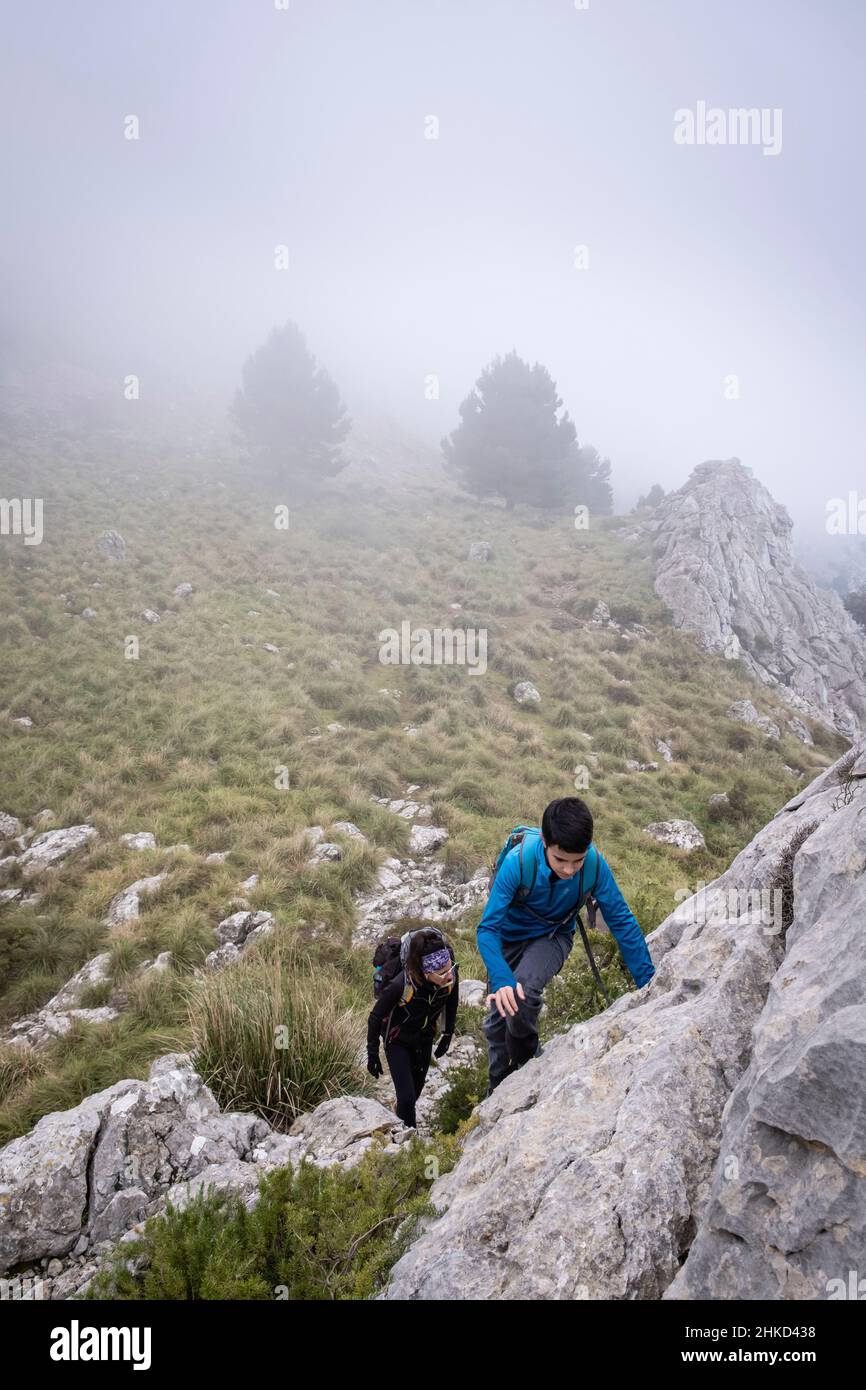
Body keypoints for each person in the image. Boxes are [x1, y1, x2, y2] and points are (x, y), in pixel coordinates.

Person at [477, 796, 655, 1095]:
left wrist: (648, 983)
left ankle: (529, 1070)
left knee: (522, 993)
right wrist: (501, 977)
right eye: (561, 860)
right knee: (497, 1021)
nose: (570, 870)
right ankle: (498, 1088)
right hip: (506, 939)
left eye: (578, 861)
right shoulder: (517, 863)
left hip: (552, 936)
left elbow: (621, 921)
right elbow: (487, 928)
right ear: (545, 842)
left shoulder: (595, 865)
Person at [366, 928, 459, 1129]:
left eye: (449, 968)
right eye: (442, 973)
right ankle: (407, 1142)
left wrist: (447, 1033)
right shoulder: (401, 985)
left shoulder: (450, 972)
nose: (448, 975)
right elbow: (375, 1017)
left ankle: (399, 1114)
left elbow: (452, 1001)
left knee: (415, 1092)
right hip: (397, 1040)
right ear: (426, 972)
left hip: (424, 1037)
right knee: (407, 1099)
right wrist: (372, 1053)